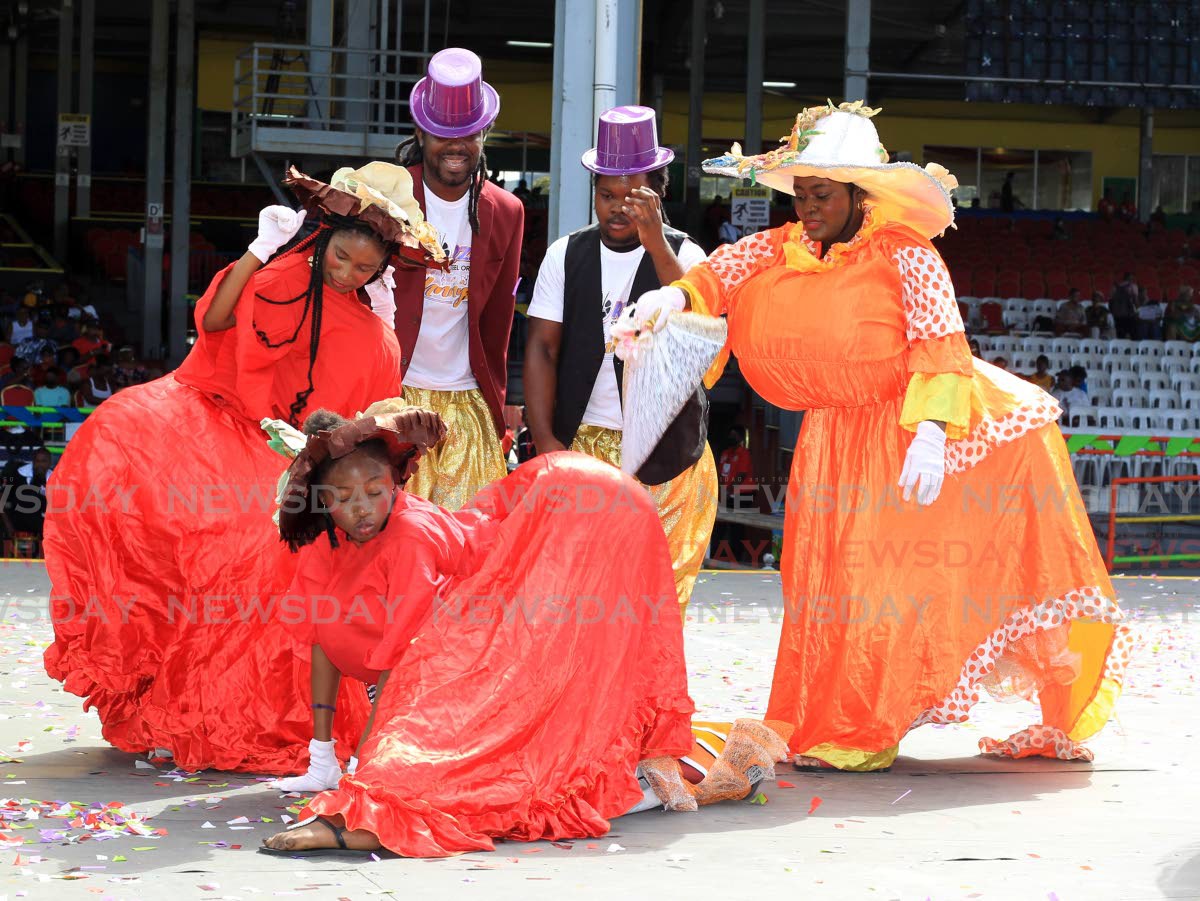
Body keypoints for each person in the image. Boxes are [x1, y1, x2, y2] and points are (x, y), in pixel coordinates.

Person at [629, 101, 1129, 769]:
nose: (807, 207)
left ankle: (866, 723)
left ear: (858, 193)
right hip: (831, 441)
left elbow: (941, 342)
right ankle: (829, 718)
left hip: (905, 434)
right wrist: (674, 298)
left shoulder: (906, 254)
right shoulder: (781, 247)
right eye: (801, 193)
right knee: (822, 581)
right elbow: (719, 275)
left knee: (881, 584)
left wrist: (929, 433)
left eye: (822, 194)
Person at [42, 162, 446, 773]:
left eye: (366, 269)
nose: (349, 275)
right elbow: (214, 321)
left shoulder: (372, 334)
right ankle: (166, 703)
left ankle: (236, 716)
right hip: (217, 427)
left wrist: (381, 332)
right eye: (341, 259)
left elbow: (364, 424)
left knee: (254, 549)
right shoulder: (282, 276)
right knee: (121, 457)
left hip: (293, 460)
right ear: (321, 239)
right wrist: (258, 252)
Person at [259, 411, 787, 857]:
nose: (361, 506)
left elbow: (409, 664)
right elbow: (325, 638)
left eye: (375, 491)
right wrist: (326, 758)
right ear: (324, 501)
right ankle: (372, 805)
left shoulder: (410, 539)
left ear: (396, 485)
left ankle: (367, 816)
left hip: (559, 531)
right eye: (345, 496)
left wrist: (369, 780)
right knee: (528, 737)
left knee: (497, 755)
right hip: (529, 555)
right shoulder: (332, 543)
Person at [524, 105, 717, 615]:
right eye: (606, 196)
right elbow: (543, 347)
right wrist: (545, 442)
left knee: (654, 606)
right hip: (583, 445)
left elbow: (691, 338)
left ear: (658, 192)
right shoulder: (566, 254)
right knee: (579, 603)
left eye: (631, 198)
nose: (616, 210)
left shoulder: (689, 256)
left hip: (667, 456)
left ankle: (649, 697)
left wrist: (655, 243)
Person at [383, 48, 525, 510]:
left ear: (483, 134)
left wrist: (498, 405)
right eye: (443, 134)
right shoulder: (387, 198)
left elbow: (500, 319)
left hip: (468, 400)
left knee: (472, 546)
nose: (455, 146)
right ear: (421, 132)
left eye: (467, 134)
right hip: (392, 393)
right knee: (387, 541)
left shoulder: (506, 212)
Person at [713, 425, 755, 564]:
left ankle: (737, 557)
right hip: (727, 494)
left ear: (740, 438)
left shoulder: (744, 453)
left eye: (734, 436)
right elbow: (720, 473)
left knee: (737, 527)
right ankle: (717, 555)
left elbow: (741, 474)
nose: (731, 438)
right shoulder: (726, 453)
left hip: (742, 494)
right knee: (722, 524)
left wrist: (730, 489)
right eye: (730, 435)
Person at [1109, 273, 1139, 339]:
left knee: (1120, 332)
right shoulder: (1133, 286)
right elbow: (1135, 300)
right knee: (1132, 331)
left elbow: (1110, 300)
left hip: (1118, 314)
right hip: (1127, 314)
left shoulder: (1115, 287)